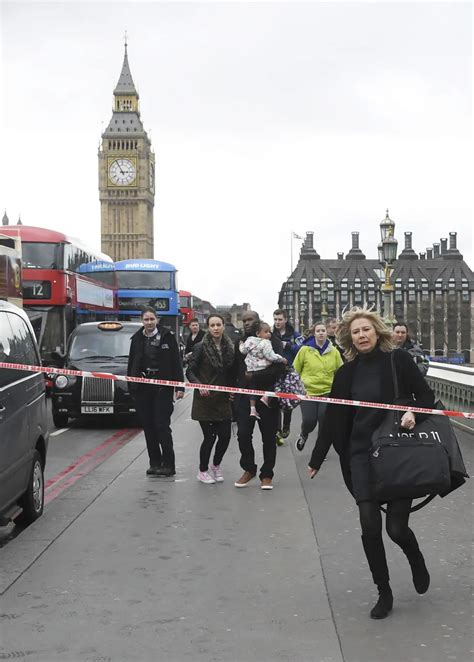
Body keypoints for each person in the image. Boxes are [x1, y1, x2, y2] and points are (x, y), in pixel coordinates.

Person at [308, 307, 435, 620]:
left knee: (396, 528)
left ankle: (414, 556)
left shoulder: (399, 361)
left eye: (366, 329)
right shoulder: (346, 372)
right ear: (349, 338)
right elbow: (334, 417)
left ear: (377, 331)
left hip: (394, 452)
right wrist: (317, 458)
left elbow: (427, 398)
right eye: (355, 332)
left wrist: (413, 414)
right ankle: (384, 591)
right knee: (369, 525)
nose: (361, 335)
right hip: (361, 455)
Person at [127, 306, 184, 477]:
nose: (149, 322)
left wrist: (179, 386)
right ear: (141, 321)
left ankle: (169, 464)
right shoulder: (136, 338)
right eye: (146, 319)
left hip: (162, 388)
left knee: (162, 426)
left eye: (152, 319)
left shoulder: (168, 337)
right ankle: (154, 463)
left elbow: (176, 363)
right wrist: (132, 386)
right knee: (148, 426)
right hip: (143, 388)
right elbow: (131, 364)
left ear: (157, 320)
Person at [231, 310, 284, 491]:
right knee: (243, 434)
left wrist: (254, 376)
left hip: (268, 395)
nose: (246, 323)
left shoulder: (273, 340)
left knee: (268, 437)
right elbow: (235, 368)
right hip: (245, 396)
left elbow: (278, 369)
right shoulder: (241, 343)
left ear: (258, 320)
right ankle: (249, 468)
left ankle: (267, 474)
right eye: (244, 320)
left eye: (250, 319)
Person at [186, 314, 234, 484]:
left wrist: (232, 388)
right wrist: (200, 385)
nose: (215, 328)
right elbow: (189, 371)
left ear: (223, 326)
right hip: (204, 400)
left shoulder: (229, 347)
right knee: (210, 437)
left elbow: (231, 372)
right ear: (208, 327)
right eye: (212, 325)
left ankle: (216, 465)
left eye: (218, 325)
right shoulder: (200, 347)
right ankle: (203, 470)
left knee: (226, 436)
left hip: (222, 399)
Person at [293, 321, 343, 452]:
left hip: (327, 391)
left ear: (327, 333)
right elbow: (295, 370)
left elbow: (341, 372)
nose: (321, 333)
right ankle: (304, 434)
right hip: (308, 391)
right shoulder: (305, 350)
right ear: (314, 333)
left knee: (324, 419)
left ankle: (320, 448)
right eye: (318, 331)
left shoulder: (334, 352)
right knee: (310, 420)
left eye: (323, 331)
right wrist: (297, 388)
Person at [240, 321, 287, 418]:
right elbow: (270, 356)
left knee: (253, 388)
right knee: (277, 381)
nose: (269, 334)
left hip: (250, 368)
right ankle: (266, 397)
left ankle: (252, 409)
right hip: (262, 367)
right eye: (266, 332)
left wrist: (241, 345)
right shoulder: (266, 343)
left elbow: (243, 350)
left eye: (269, 331)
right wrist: (281, 359)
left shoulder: (249, 340)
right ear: (258, 333)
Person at [272, 309, 304, 443]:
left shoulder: (294, 334)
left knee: (288, 401)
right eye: (275, 319)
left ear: (285, 320)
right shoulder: (271, 334)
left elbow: (302, 349)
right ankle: (277, 431)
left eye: (280, 319)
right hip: (274, 371)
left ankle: (286, 426)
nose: (277, 322)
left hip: (289, 371)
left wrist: (288, 345)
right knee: (276, 401)